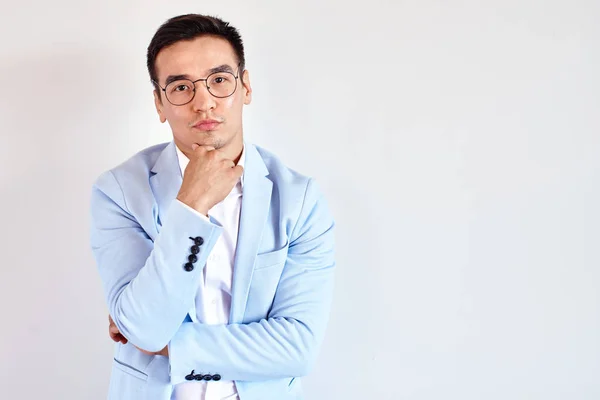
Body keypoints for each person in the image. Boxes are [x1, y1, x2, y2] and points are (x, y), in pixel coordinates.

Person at [89, 13, 336, 400]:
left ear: (246, 87)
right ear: (159, 103)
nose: (203, 102)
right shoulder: (119, 192)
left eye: (219, 80)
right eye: (181, 87)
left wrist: (170, 346)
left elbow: (297, 348)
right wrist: (191, 204)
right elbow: (145, 330)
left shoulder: (299, 200)